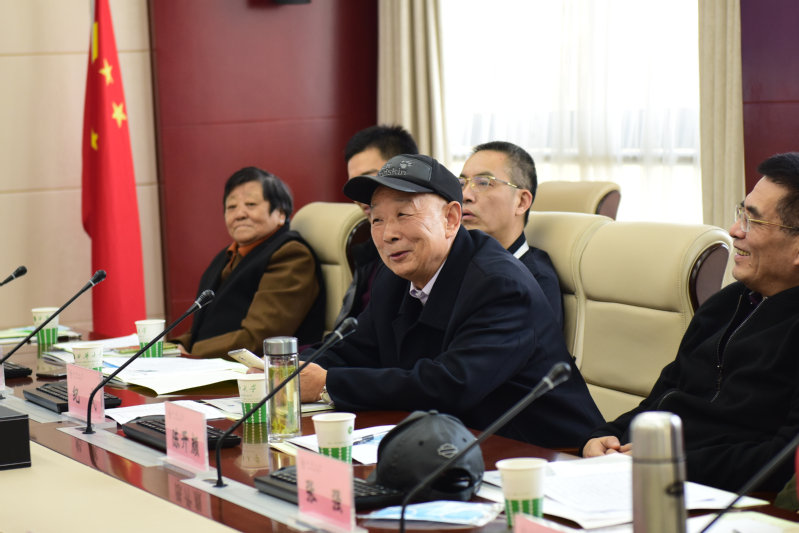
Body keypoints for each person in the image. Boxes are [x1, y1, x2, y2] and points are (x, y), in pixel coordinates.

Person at [299, 154, 603, 448]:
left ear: (451, 218)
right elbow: (354, 348)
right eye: (377, 219)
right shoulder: (394, 278)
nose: (388, 234)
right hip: (456, 443)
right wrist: (293, 372)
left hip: (546, 455)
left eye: (403, 214)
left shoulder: (500, 285)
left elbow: (451, 385)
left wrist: (328, 384)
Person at [582, 152, 799, 492]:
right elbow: (662, 399)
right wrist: (606, 435)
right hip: (649, 476)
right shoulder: (724, 304)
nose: (734, 230)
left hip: (726, 499)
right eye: (741, 213)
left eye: (754, 221)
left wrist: (672, 465)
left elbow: (783, 462)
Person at [173, 167, 325, 357]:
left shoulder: (290, 255)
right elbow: (202, 330)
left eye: (251, 204)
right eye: (231, 207)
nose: (239, 214)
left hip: (258, 370)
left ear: (280, 213)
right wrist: (173, 348)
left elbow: (258, 338)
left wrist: (191, 353)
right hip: (214, 363)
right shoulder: (228, 255)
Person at [460, 141, 563, 328]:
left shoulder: (532, 282)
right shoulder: (457, 263)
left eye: (483, 183)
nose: (465, 195)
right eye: (461, 184)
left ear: (521, 202)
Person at [332, 125, 419, 328]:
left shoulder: (418, 252)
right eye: (356, 184)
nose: (360, 196)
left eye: (370, 178)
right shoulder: (369, 250)